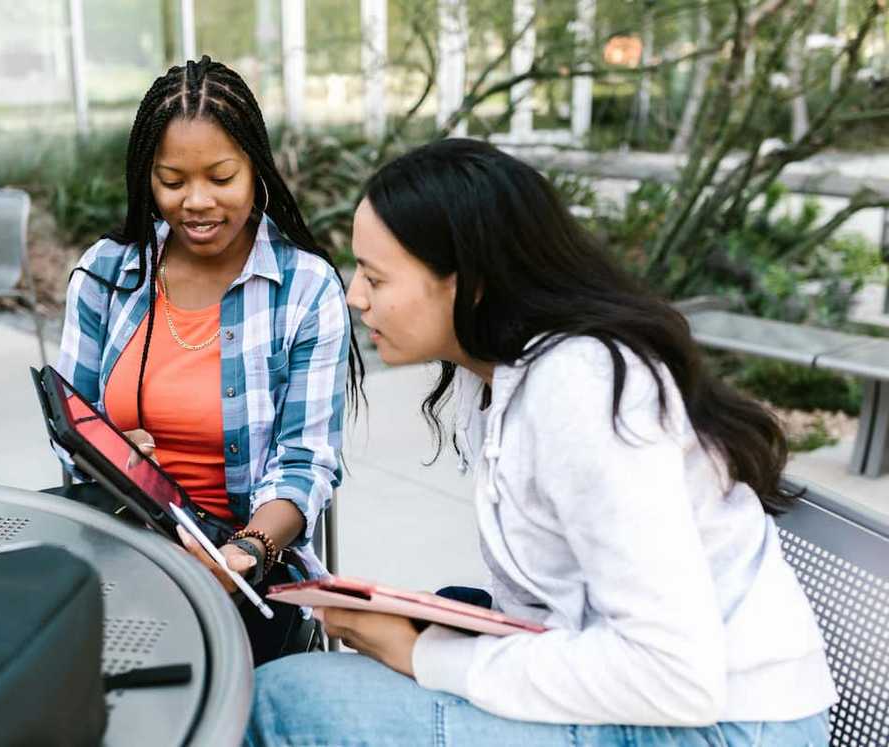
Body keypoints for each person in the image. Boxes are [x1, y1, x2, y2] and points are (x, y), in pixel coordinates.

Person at [246, 139, 836, 745]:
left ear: (469, 283)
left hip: (724, 726)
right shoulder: (502, 380)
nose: (354, 295)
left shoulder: (581, 388)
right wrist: (435, 627)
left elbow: (674, 675)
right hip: (666, 704)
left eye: (375, 275)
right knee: (416, 625)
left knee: (284, 701)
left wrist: (429, 658)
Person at [55, 57, 362, 664]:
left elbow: (306, 462)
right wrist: (109, 454)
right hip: (122, 542)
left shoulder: (304, 289)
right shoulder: (107, 275)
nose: (196, 202)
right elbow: (71, 422)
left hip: (245, 562)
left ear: (257, 171)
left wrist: (245, 551)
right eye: (172, 181)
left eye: (221, 177)